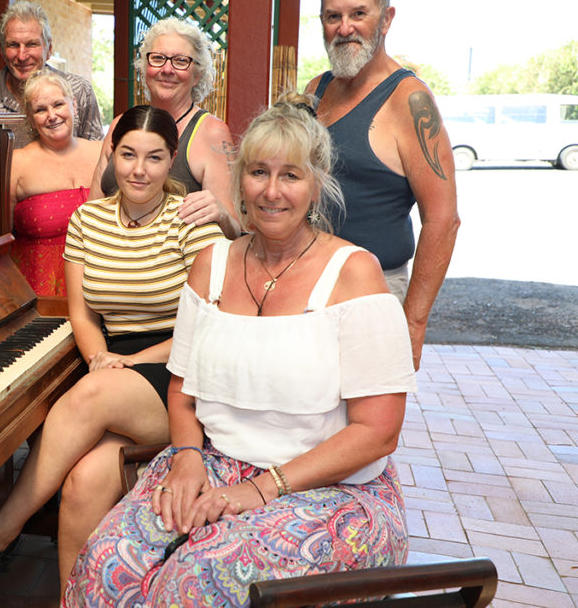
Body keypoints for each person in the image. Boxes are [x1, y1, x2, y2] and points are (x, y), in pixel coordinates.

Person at [64, 94, 417, 607]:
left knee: (195, 579)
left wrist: (262, 489)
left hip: (330, 489)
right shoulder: (211, 263)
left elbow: (378, 432)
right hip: (215, 463)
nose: (272, 191)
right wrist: (185, 456)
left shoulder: (355, 274)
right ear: (239, 183)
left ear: (316, 185)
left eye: (290, 175)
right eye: (257, 173)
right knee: (107, 558)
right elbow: (182, 388)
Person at [0, 105, 224, 599]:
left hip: (179, 373)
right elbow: (82, 315)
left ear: (172, 160)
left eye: (154, 158)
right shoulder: (88, 220)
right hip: (110, 368)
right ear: (112, 153)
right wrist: (100, 360)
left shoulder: (189, 220)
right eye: (128, 154)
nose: (138, 169)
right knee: (83, 483)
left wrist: (125, 364)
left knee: (92, 396)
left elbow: (208, 331)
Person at [305, 0, 460, 370]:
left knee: (365, 427)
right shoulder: (315, 90)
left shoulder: (410, 101)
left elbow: (443, 220)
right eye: (332, 16)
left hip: (371, 293)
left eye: (359, 14)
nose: (344, 28)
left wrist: (413, 323)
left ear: (386, 19)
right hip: (303, 283)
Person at [89, 17, 240, 238]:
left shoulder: (211, 132)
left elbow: (234, 229)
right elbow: (93, 210)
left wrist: (221, 215)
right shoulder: (120, 125)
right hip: (112, 262)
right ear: (144, 66)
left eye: (180, 61)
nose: (167, 69)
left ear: (197, 74)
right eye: (158, 58)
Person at [0, 0, 102, 147]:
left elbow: (97, 159)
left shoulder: (79, 90)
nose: (22, 56)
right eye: (13, 45)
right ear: (2, 50)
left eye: (31, 44)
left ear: (49, 49)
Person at [9, 70, 101, 296]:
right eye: (41, 109)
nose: (52, 115)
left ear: (74, 105)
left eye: (58, 104)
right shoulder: (16, 163)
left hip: (101, 288)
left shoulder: (102, 153)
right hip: (38, 294)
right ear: (30, 118)